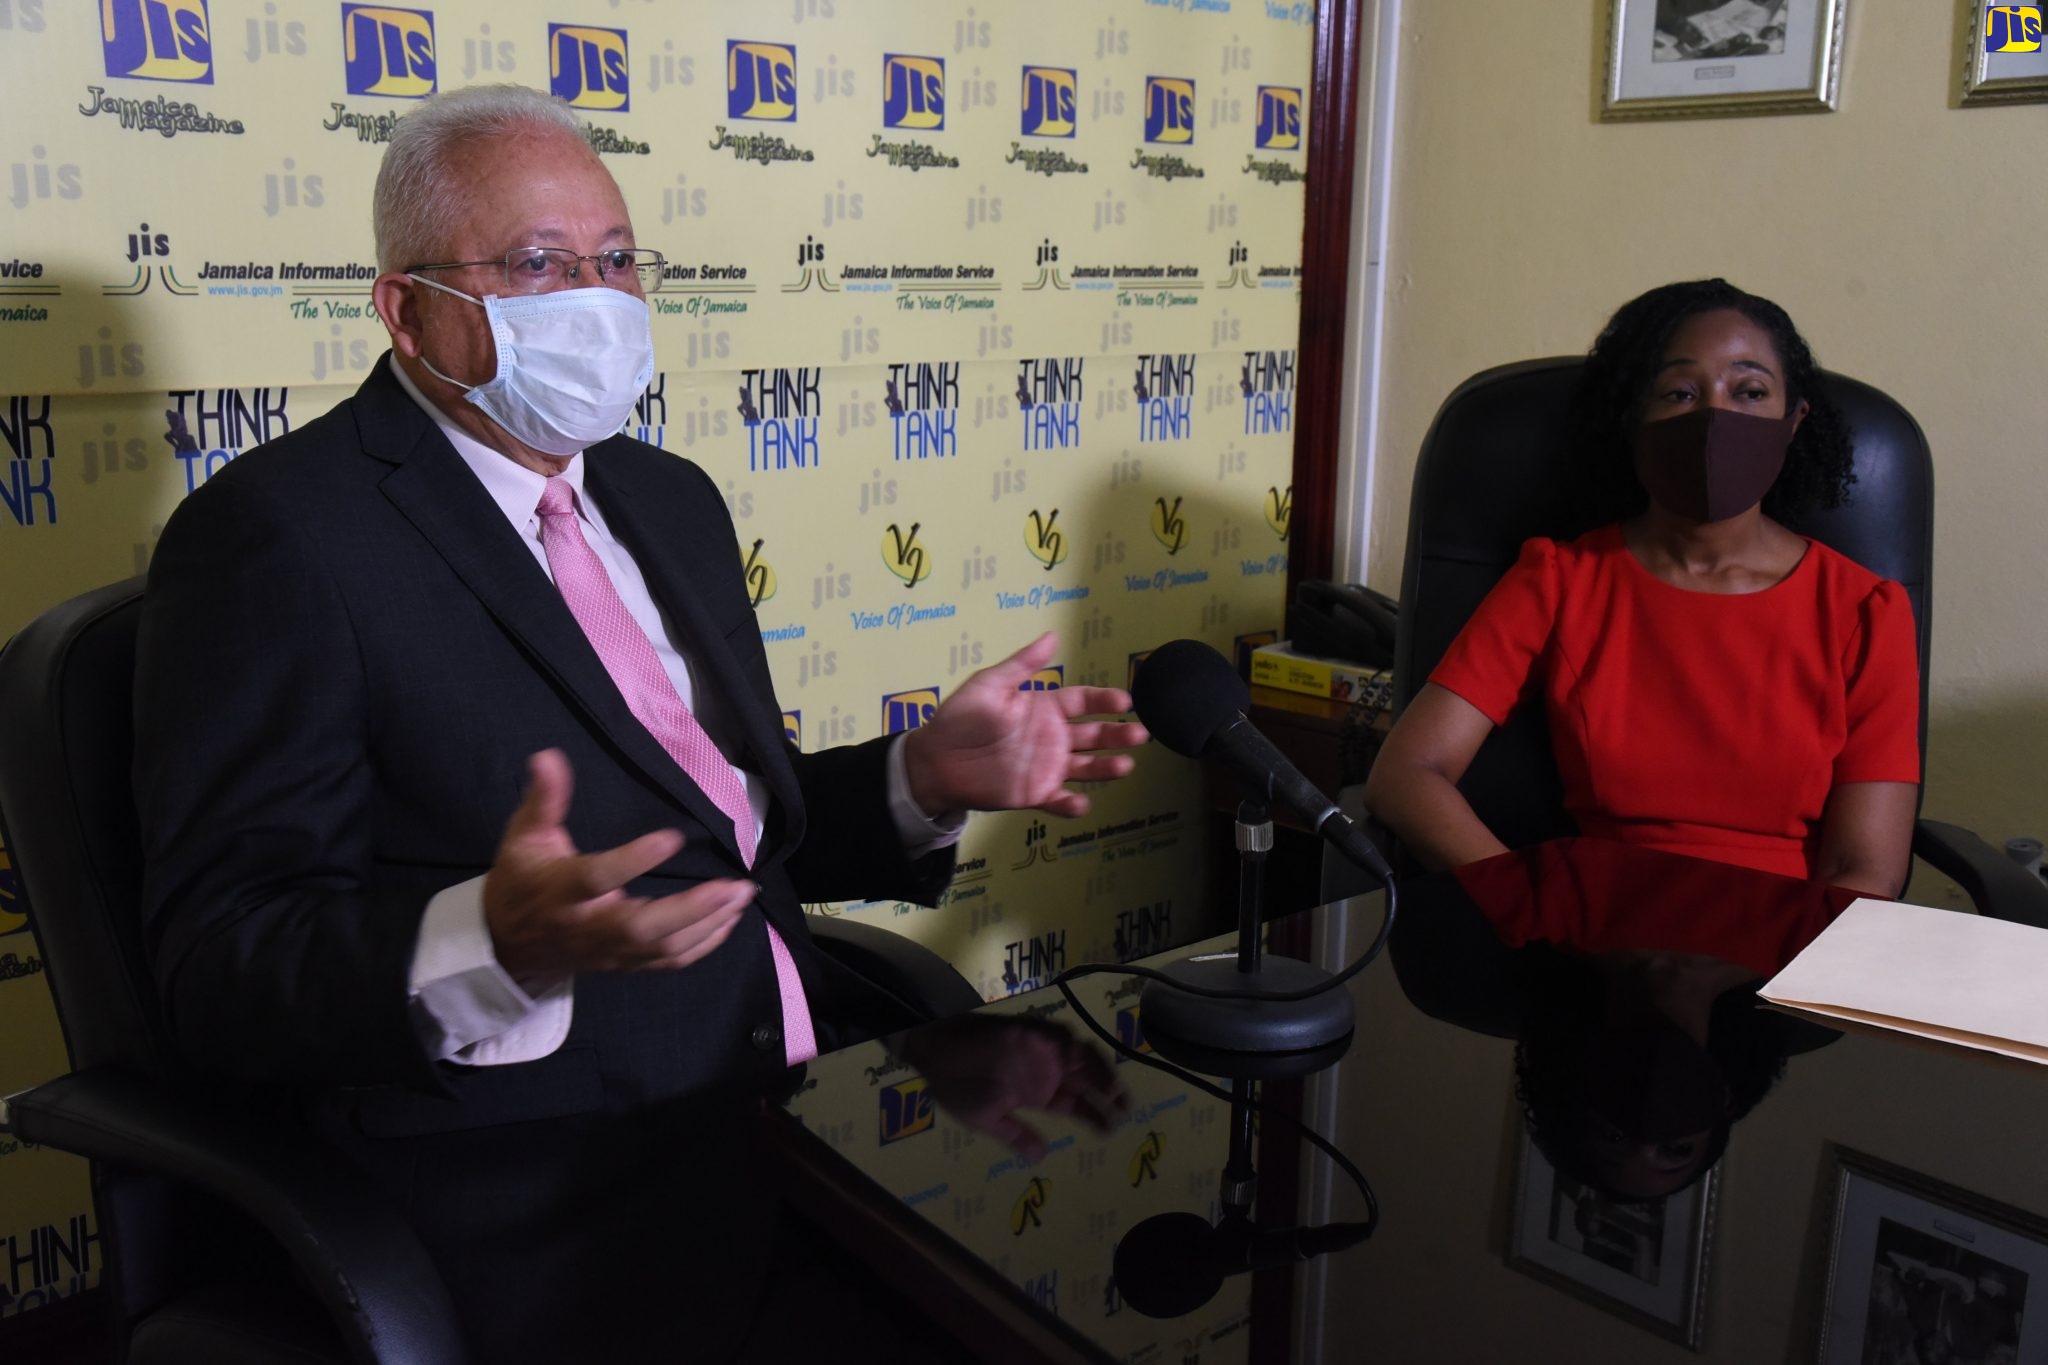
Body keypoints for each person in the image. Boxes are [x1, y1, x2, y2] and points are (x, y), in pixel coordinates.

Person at [132, 84, 1145, 1361]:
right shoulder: (279, 538)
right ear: (405, 307)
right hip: (545, 1187)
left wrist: (920, 778)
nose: (596, 300)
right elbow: (221, 970)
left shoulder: (668, 500)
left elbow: (709, 837)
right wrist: (492, 943)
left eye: (615, 260)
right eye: (537, 264)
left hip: (799, 1108)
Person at [1364, 280, 1921, 897]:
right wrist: (1539, 907)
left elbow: (1867, 873)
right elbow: (1407, 774)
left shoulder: (1866, 612)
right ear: (1633, 419)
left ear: (1794, 423)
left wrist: (1723, 964)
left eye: (1751, 391)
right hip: (1598, 931)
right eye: (1679, 392)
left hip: (1783, 949)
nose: (1716, 417)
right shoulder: (1560, 580)